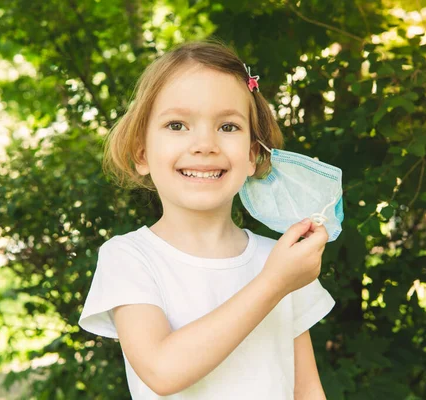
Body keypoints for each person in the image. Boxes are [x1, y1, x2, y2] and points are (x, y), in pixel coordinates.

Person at [79, 40, 335, 399]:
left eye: (227, 127)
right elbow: (162, 371)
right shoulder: (127, 258)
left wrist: (279, 276)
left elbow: (307, 390)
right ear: (141, 153)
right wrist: (273, 283)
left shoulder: (280, 259)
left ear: (251, 155)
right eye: (177, 125)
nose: (204, 144)